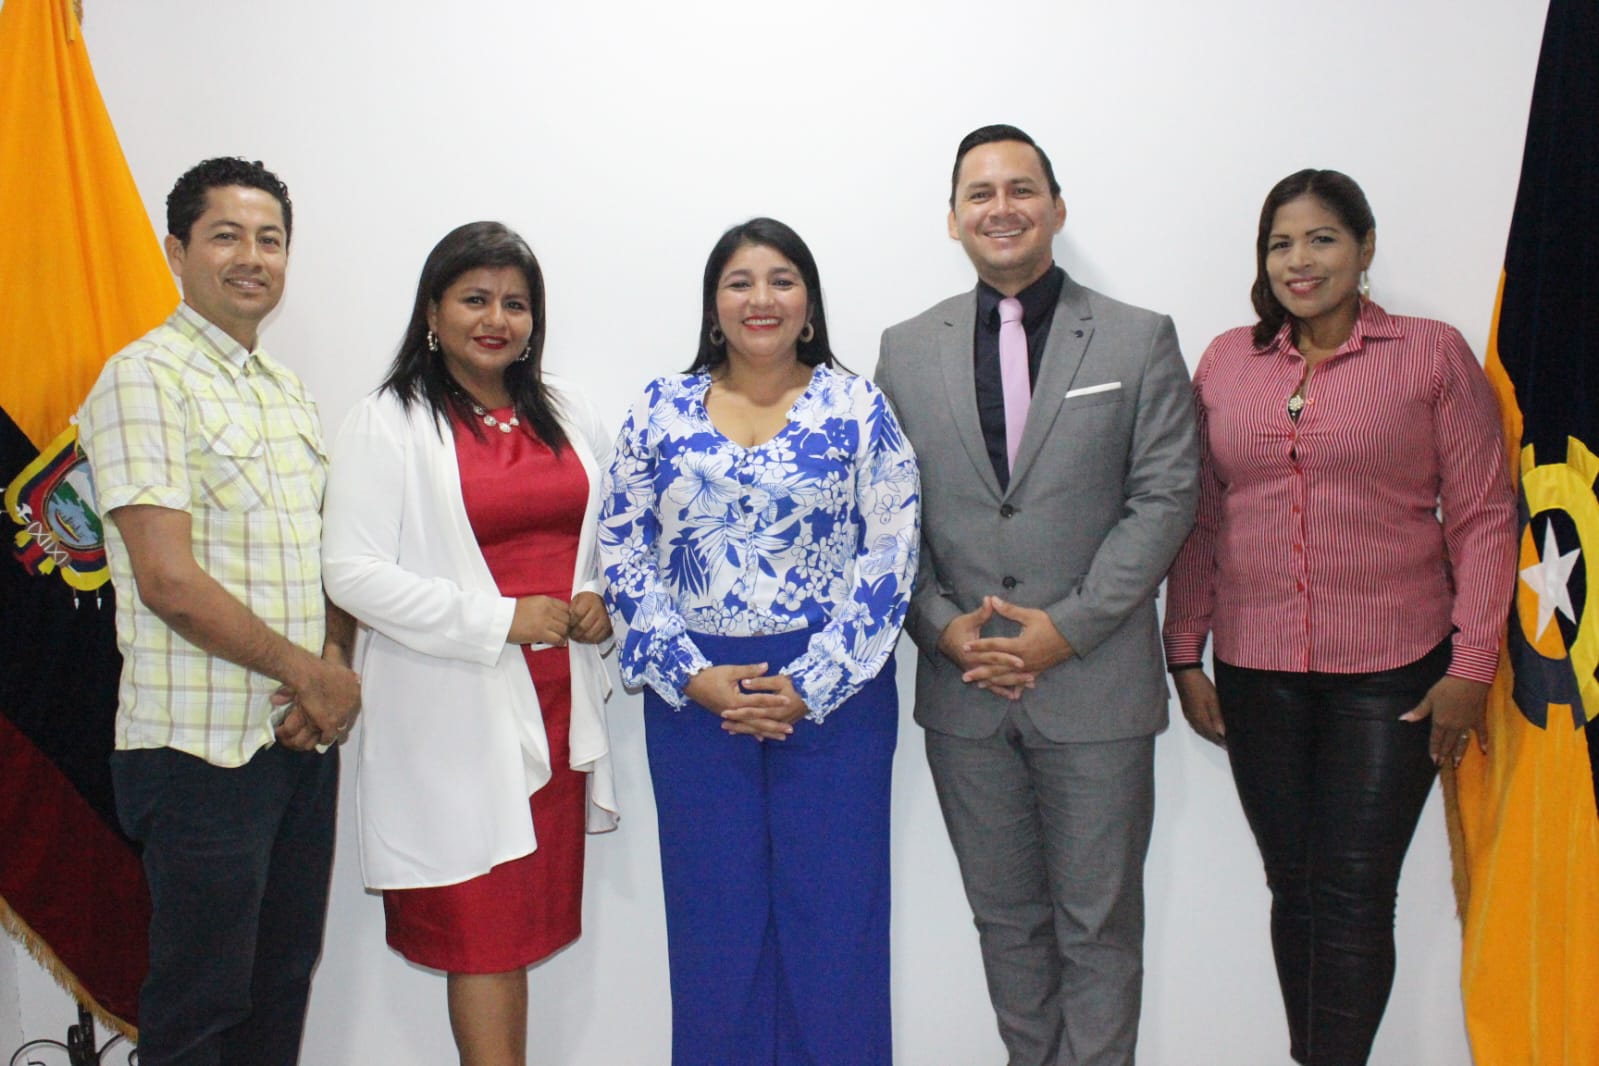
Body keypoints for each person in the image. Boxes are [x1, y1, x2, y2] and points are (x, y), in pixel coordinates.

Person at [1162, 169, 1518, 1065]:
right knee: (1294, 886)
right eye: (1279, 243)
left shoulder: (1429, 354)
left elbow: (1483, 516)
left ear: (1364, 248)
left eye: (1320, 238)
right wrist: (1184, 652)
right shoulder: (1226, 361)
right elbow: (1202, 514)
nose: (1299, 260)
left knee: (1355, 891)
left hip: (1394, 670)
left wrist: (1472, 665)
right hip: (1257, 669)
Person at [874, 124, 1199, 1066]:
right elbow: (884, 515)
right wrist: (941, 630)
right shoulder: (904, 349)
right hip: (965, 694)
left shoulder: (1138, 337)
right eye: (979, 193)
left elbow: (1165, 496)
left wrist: (1070, 628)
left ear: (1056, 208)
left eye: (1021, 189)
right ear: (951, 219)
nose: (1001, 208)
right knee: (1006, 925)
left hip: (1095, 689)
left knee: (1099, 928)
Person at [599, 217, 919, 1065]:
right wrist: (687, 672)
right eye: (739, 282)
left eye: (781, 280)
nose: (760, 299)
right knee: (715, 929)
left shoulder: (857, 407)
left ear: (808, 303)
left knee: (836, 928)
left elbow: (891, 552)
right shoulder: (659, 408)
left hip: (834, 701)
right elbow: (621, 549)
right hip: (696, 701)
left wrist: (813, 682)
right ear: (713, 305)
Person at [77, 157, 360, 1065]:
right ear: (176, 251)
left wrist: (330, 670)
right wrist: (308, 673)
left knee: (279, 988)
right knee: (200, 1007)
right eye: (226, 236)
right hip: (196, 753)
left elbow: (326, 559)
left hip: (296, 742)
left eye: (270, 240)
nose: (252, 257)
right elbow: (167, 580)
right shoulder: (142, 379)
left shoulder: (285, 392)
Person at [320, 221, 619, 1066]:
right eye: (474, 299)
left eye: (515, 304)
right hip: (449, 720)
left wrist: (600, 600)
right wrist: (499, 621)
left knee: (518, 931)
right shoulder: (385, 422)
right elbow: (351, 573)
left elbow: (612, 538)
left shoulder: (568, 411)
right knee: (481, 936)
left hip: (553, 710)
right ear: (432, 312)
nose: (496, 319)